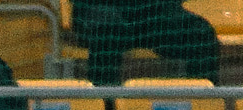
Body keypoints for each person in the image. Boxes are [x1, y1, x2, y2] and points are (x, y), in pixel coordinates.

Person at [73, 0, 219, 86]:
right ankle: (105, 107)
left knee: (199, 32)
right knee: (106, 30)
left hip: (154, 13)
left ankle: (202, 105)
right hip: (102, 10)